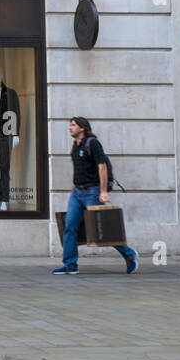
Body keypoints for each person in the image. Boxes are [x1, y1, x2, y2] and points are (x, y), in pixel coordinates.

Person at [54, 117, 138, 275]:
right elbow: (79, 168)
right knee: (69, 227)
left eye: (73, 125)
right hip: (77, 193)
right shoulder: (75, 145)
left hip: (92, 192)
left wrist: (103, 191)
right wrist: (74, 185)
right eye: (70, 125)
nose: (70, 128)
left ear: (82, 128)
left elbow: (102, 166)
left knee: (102, 229)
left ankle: (129, 254)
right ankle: (70, 264)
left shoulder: (92, 143)